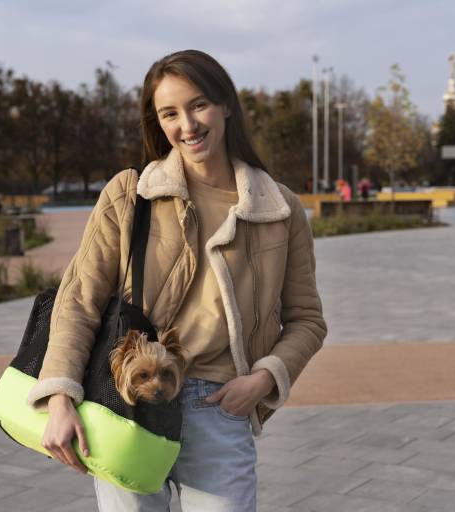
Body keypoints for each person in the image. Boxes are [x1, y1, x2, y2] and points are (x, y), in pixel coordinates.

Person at [25, 50, 327, 511]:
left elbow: (307, 320)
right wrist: (61, 395)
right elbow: (79, 300)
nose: (187, 124)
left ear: (226, 105)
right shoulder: (130, 194)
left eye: (198, 104)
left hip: (218, 406)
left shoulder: (278, 208)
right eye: (170, 113)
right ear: (158, 122)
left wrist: (264, 378)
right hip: (128, 406)